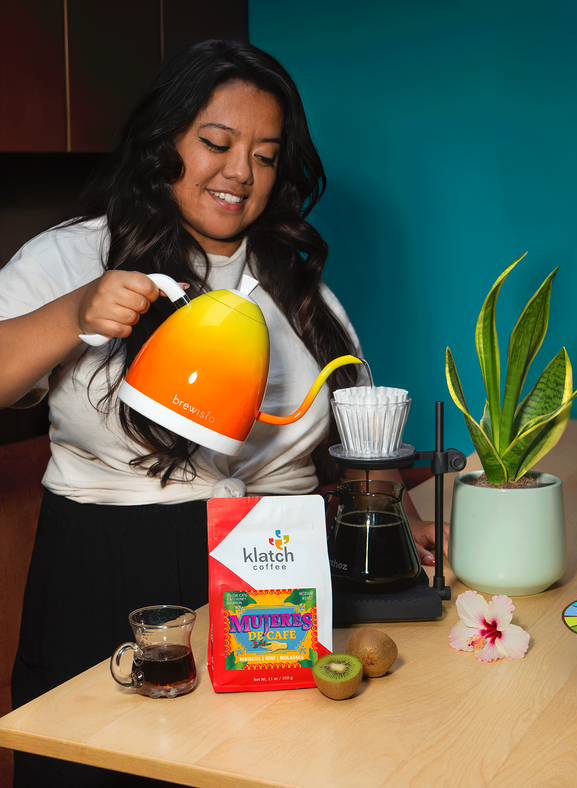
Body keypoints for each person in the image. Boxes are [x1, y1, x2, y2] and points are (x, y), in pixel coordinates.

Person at [0, 40, 434, 787]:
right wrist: (77, 311)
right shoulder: (73, 257)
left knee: (268, 770)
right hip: (108, 570)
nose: (241, 172)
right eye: (216, 142)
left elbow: (341, 446)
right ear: (163, 139)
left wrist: (397, 522)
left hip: (276, 574)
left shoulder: (304, 294)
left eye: (266, 155)